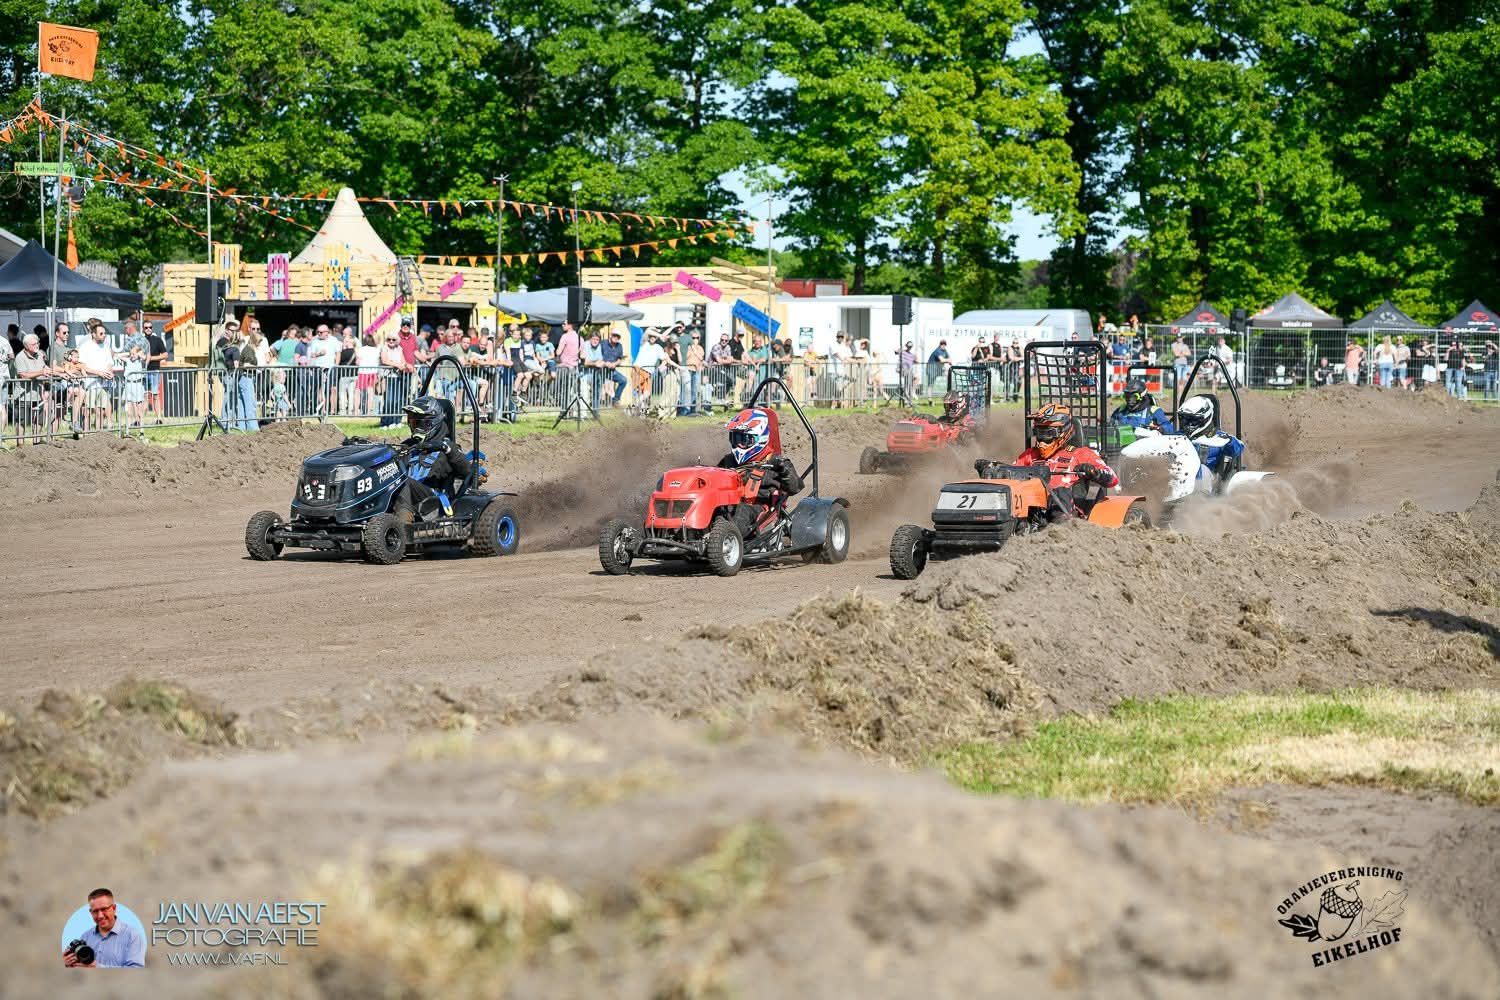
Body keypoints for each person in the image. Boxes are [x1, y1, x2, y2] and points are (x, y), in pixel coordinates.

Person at [993, 403, 1118, 520]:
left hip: (1068, 514)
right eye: (1039, 433)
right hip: (1031, 509)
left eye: (1047, 434)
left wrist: (1094, 472)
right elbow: (1010, 477)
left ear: (1062, 432)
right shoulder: (1030, 455)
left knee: (1059, 493)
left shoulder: (1081, 454)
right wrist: (994, 470)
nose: (1042, 440)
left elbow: (1113, 479)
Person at [718, 405, 804, 535]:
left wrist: (783, 468)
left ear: (760, 438)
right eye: (735, 439)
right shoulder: (729, 461)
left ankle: (728, 542)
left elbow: (794, 487)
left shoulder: (776, 462)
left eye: (744, 439)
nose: (739, 444)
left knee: (743, 511)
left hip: (759, 508)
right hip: (730, 504)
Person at [397, 396, 475, 520]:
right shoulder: (409, 444)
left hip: (433, 499)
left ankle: (401, 526)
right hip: (410, 494)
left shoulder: (448, 447)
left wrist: (446, 449)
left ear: (431, 423)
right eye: (412, 423)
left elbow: (468, 472)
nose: (415, 427)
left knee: (404, 482)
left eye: (418, 423)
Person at [1176, 393, 1245, 492]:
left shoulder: (1218, 437)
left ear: (1206, 418)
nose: (1188, 424)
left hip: (1207, 482)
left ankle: (1197, 501)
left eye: (1193, 420)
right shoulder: (1178, 435)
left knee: (1200, 468)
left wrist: (1229, 441)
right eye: (1185, 419)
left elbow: (1239, 447)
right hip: (1177, 477)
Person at [64, 888, 144, 968]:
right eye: (95, 911)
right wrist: (68, 964)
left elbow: (136, 969)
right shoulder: (85, 937)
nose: (100, 916)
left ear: (114, 908)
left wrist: (97, 967)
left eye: (104, 909)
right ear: (90, 912)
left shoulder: (132, 935)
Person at [1109, 376, 1177, 433]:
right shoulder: (1121, 410)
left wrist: (1160, 429)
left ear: (1142, 396)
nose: (1129, 399)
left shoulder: (1153, 411)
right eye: (1127, 396)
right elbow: (1109, 426)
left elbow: (1170, 428)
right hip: (1120, 446)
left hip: (1145, 447)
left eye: (1134, 397)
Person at [143, 320, 168, 422]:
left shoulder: (157, 340)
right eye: (146, 327)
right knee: (143, 396)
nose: (148, 329)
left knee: (155, 395)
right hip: (142, 371)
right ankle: (141, 420)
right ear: (143, 329)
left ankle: (159, 418)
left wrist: (150, 358)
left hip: (154, 370)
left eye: (150, 327)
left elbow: (165, 355)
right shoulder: (140, 340)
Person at [121, 344, 148, 430]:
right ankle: (128, 430)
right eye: (131, 354)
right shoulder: (128, 360)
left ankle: (141, 430)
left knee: (140, 411)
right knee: (129, 411)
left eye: (133, 354)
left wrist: (138, 354)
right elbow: (118, 356)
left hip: (137, 385)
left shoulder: (140, 361)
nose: (131, 355)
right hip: (129, 385)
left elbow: (145, 358)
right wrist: (130, 353)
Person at [600, 329, 629, 407]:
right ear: (610, 335)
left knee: (623, 380)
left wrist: (615, 364)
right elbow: (597, 355)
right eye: (614, 335)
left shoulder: (619, 346)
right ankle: (595, 403)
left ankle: (615, 400)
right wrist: (605, 363)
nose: (616, 337)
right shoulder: (603, 343)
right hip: (600, 370)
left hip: (612, 371)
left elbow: (620, 359)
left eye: (618, 336)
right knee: (597, 385)